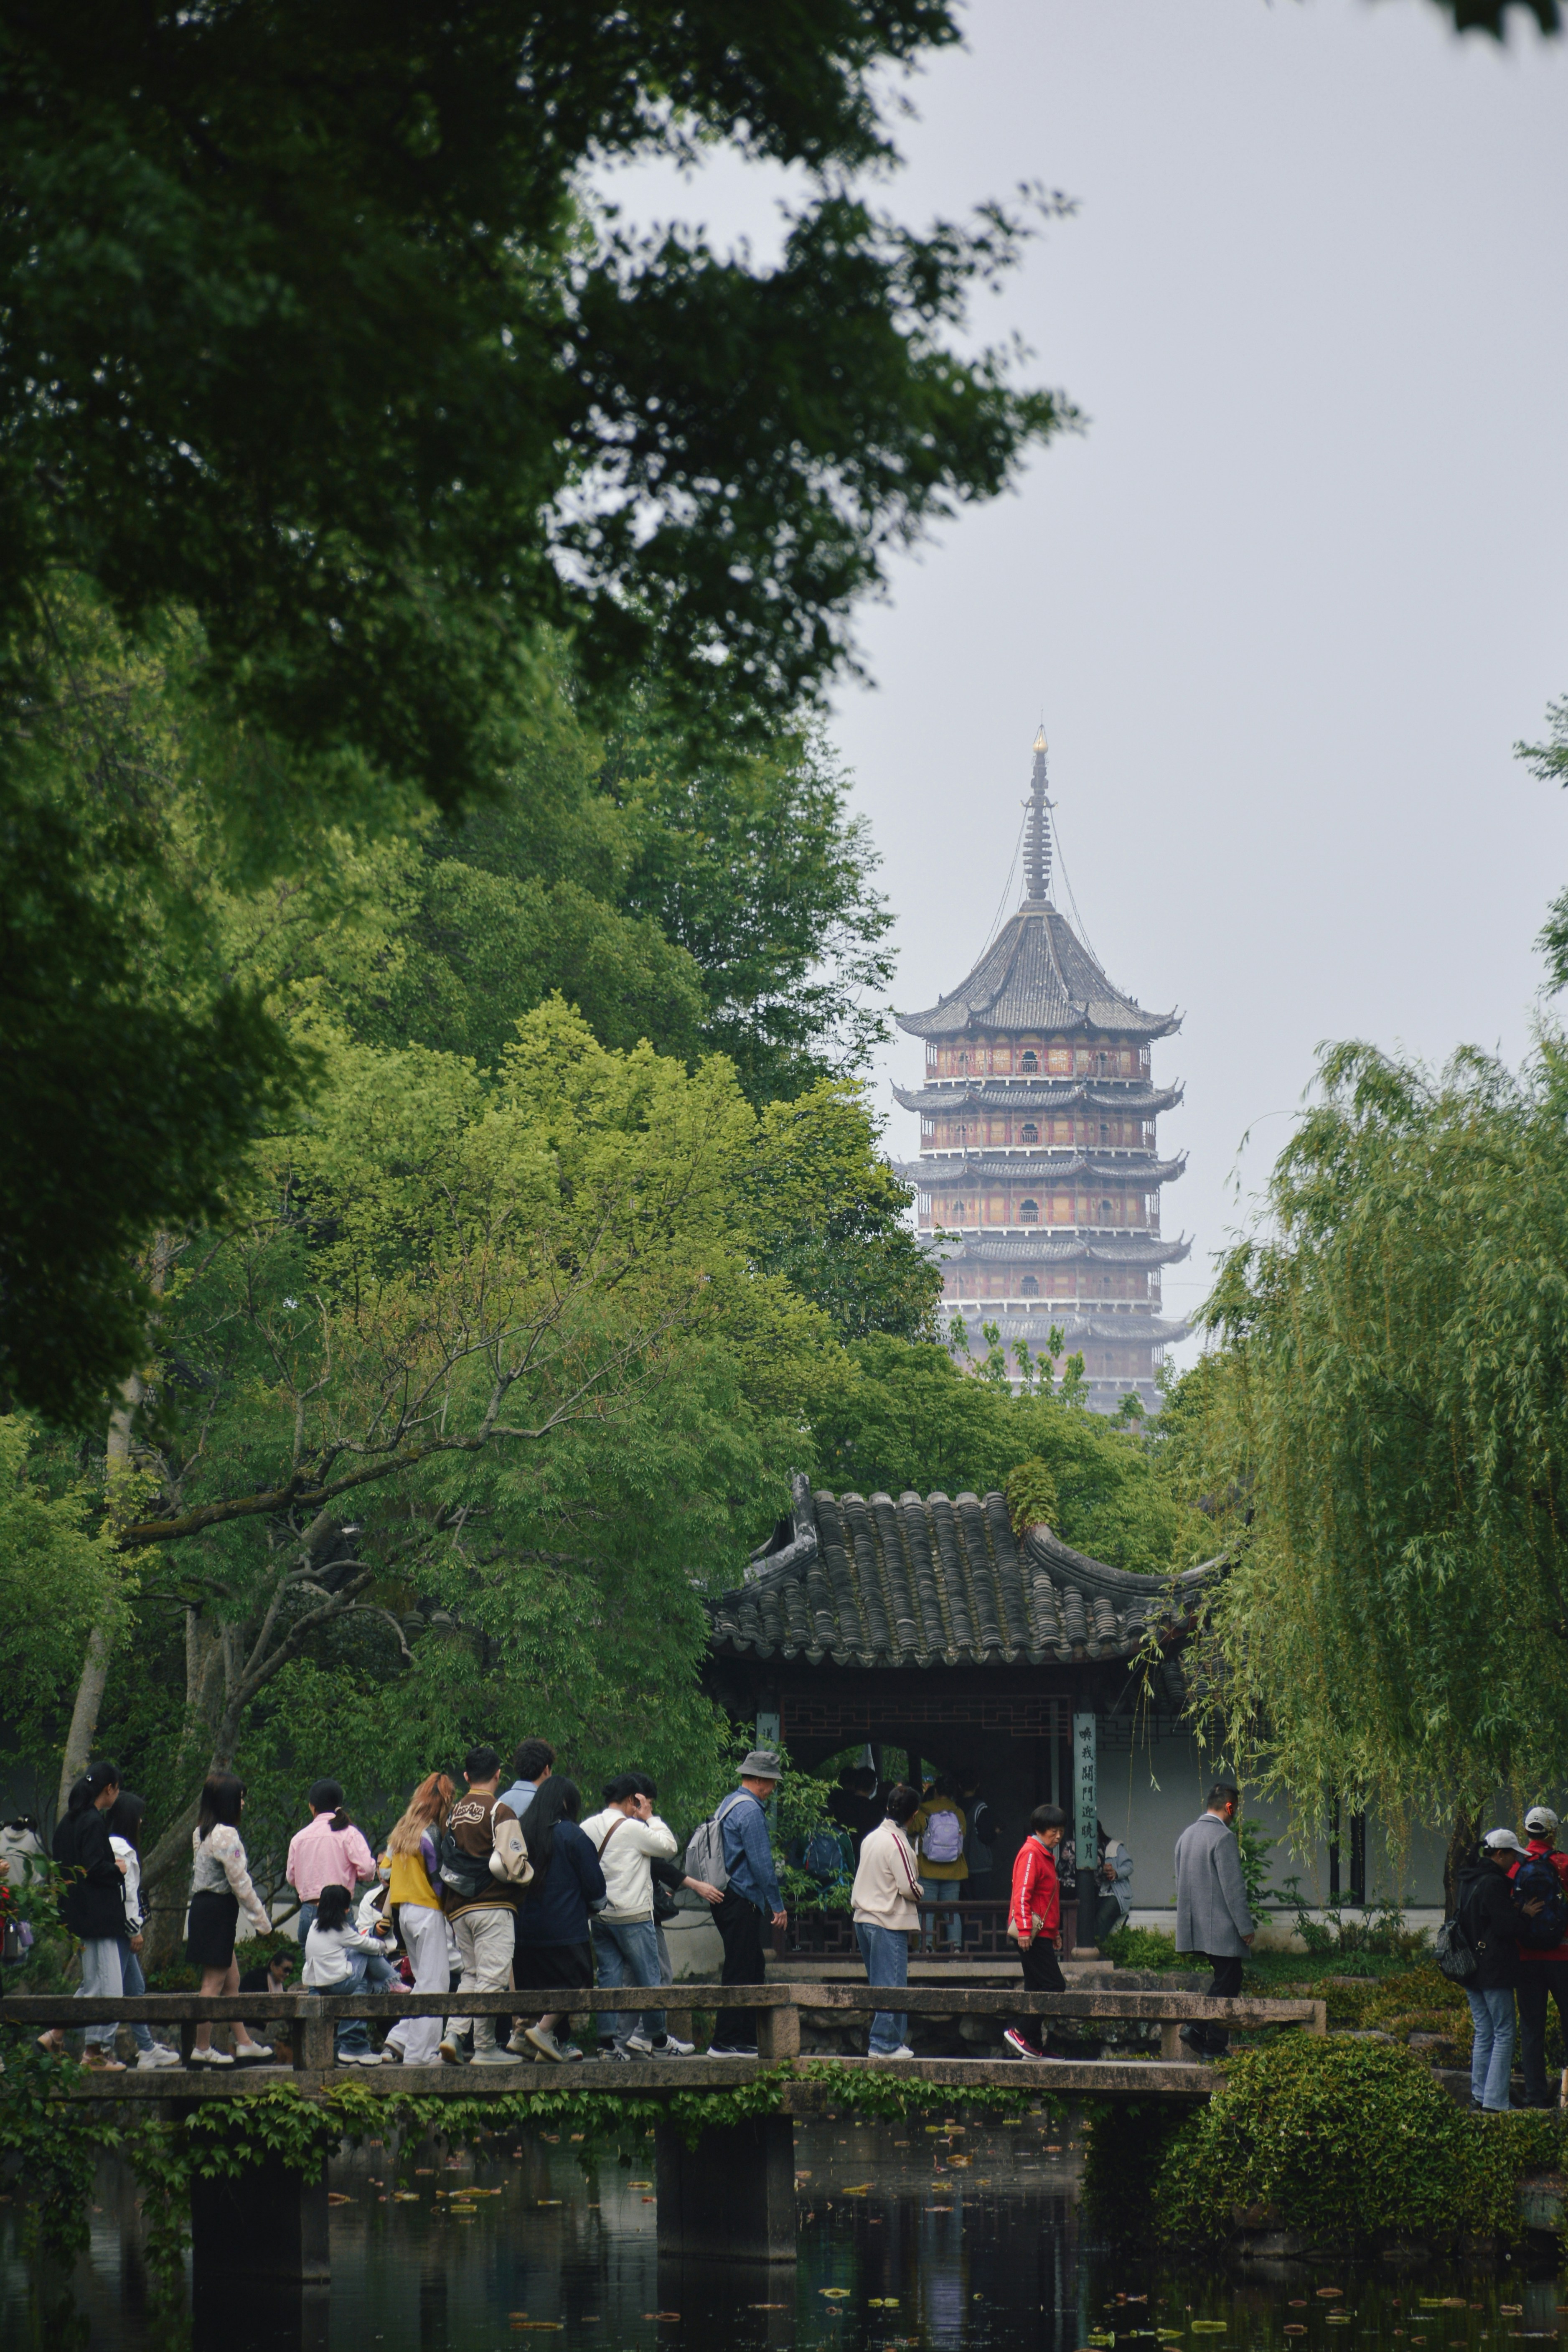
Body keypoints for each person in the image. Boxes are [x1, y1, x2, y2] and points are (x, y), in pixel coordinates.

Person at [437, 1744, 533, 2066]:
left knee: (471, 1974)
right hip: (492, 1904)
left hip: (458, 1908)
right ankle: (485, 2047)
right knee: (493, 1976)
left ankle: (453, 2034)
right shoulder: (500, 1810)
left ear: (466, 1776)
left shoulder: (453, 1813)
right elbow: (515, 1863)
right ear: (498, 1774)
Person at [580, 1772, 681, 2060]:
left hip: (601, 1915)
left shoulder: (587, 1825)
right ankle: (658, 2038)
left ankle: (608, 2044)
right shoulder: (632, 1828)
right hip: (634, 1915)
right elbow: (668, 1846)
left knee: (609, 1979)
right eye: (637, 1802)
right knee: (649, 1976)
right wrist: (650, 1816)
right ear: (630, 1800)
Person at [508, 1776, 605, 2062]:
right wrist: (590, 1908)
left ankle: (525, 2039)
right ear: (565, 1803)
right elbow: (597, 1892)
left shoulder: (521, 1832)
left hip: (524, 1930)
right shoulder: (572, 1835)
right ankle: (543, 2030)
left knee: (536, 1987)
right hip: (565, 1929)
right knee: (577, 1982)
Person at [41, 1759, 128, 2070]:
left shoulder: (69, 1821)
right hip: (98, 1916)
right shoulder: (92, 1821)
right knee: (109, 1989)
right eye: (117, 1789)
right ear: (109, 1789)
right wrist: (117, 1869)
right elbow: (93, 1867)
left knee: (94, 1983)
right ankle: (95, 2051)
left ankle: (62, 2035)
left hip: (76, 1911)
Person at [187, 1773, 276, 2066]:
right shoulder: (226, 1834)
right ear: (228, 1801)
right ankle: (201, 2048)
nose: (243, 1802)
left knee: (232, 1980)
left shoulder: (202, 1831)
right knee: (212, 1983)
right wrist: (262, 1921)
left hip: (203, 1907)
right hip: (217, 1910)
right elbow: (241, 1882)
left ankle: (245, 2042)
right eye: (240, 1797)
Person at [707, 1749, 788, 2058]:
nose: (773, 1789)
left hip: (725, 1896)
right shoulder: (751, 1811)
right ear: (758, 1780)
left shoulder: (729, 1802)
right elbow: (762, 1864)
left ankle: (742, 2037)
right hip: (740, 1897)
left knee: (752, 1965)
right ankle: (725, 2040)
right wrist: (777, 1905)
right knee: (741, 1969)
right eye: (771, 1782)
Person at [1458, 1828, 1539, 2112]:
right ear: (1500, 1854)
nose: (1514, 1861)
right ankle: (1495, 2102)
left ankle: (1479, 2096)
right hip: (1493, 1968)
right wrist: (1524, 1915)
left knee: (1484, 2032)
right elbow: (1505, 1927)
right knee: (1504, 2031)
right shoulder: (1493, 1882)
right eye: (1512, 1855)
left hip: (1469, 1967)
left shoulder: (1468, 1879)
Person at [1173, 1780, 1255, 2058]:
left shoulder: (1186, 1835)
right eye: (1236, 1809)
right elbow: (1233, 1889)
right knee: (1229, 1978)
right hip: (1220, 1926)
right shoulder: (1223, 1838)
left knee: (1227, 1978)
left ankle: (1201, 2033)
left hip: (1194, 1923)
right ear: (1229, 1807)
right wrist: (1245, 1927)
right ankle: (1208, 2040)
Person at [379, 1772, 454, 2068]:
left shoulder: (402, 1830)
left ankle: (399, 2039)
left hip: (404, 1913)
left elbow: (384, 1872)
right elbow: (439, 1879)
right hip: (428, 1910)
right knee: (436, 1983)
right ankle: (420, 2054)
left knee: (423, 1980)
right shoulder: (432, 1833)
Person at [106, 1790, 180, 2070]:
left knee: (134, 1986)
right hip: (122, 1930)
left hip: (118, 1928)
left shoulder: (113, 1844)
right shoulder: (121, 1848)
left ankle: (147, 2048)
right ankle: (59, 2033)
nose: (141, 1820)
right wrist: (134, 1929)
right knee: (103, 1988)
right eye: (139, 1815)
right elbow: (126, 1895)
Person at [851, 1782, 923, 2059]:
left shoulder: (871, 1837)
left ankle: (890, 2042)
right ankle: (884, 2044)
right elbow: (909, 1887)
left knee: (880, 1982)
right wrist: (922, 1890)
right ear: (913, 1814)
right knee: (892, 1984)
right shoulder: (898, 1843)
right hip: (887, 1919)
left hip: (863, 1917)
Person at [303, 1881, 397, 2065]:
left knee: (360, 1971)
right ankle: (392, 1980)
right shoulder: (341, 1929)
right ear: (345, 1910)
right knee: (364, 1960)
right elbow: (366, 1945)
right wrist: (383, 1946)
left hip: (318, 1985)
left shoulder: (314, 1925)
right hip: (337, 1984)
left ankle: (354, 2046)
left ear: (319, 1905)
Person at [1004, 1802, 1069, 2061]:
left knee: (1035, 1987)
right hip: (1031, 1935)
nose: (1058, 1836)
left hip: (1040, 1933)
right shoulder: (1032, 1853)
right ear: (1040, 1830)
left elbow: (1046, 1899)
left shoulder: (1042, 1853)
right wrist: (1024, 1930)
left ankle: (1033, 2046)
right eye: (1053, 1831)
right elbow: (1022, 1894)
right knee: (1055, 1985)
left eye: (1061, 1831)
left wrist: (1054, 1932)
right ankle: (1021, 2032)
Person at [1513, 1805, 1568, 2109]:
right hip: (1562, 1955)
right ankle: (1566, 2095)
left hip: (1527, 1958)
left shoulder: (1515, 1865)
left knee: (1532, 2027)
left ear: (1525, 1832)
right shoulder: (1563, 1862)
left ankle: (1535, 2097)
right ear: (1552, 1832)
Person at [285, 1780, 377, 1950]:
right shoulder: (349, 1834)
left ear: (312, 1807)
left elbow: (291, 1878)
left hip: (309, 1910)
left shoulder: (299, 1838)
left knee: (313, 1971)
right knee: (349, 1967)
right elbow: (368, 1870)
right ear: (339, 1806)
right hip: (339, 1911)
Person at [915, 1773, 968, 1953]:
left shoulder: (923, 1812)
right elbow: (963, 1835)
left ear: (935, 1791)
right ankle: (956, 1948)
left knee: (927, 1911)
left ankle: (926, 1948)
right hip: (954, 1870)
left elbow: (913, 1830)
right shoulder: (958, 1812)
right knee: (952, 1911)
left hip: (928, 1870)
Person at [1088, 1832, 1135, 1948]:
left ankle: (1097, 1950)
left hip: (1116, 1893)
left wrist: (1116, 1872)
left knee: (1102, 1919)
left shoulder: (1115, 1847)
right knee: (1087, 1917)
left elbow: (1129, 1867)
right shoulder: (1087, 1849)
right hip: (1097, 1893)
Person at [829, 1767, 882, 1860]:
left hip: (841, 1856)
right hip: (866, 1857)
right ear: (873, 1786)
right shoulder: (875, 1810)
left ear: (855, 1784)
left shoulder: (840, 1805)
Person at [958, 1773, 996, 1892]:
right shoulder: (980, 1807)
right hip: (980, 1865)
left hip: (958, 1864)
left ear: (960, 1786)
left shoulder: (954, 1807)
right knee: (982, 1905)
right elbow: (986, 1837)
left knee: (964, 1905)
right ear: (978, 1785)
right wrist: (996, 1832)